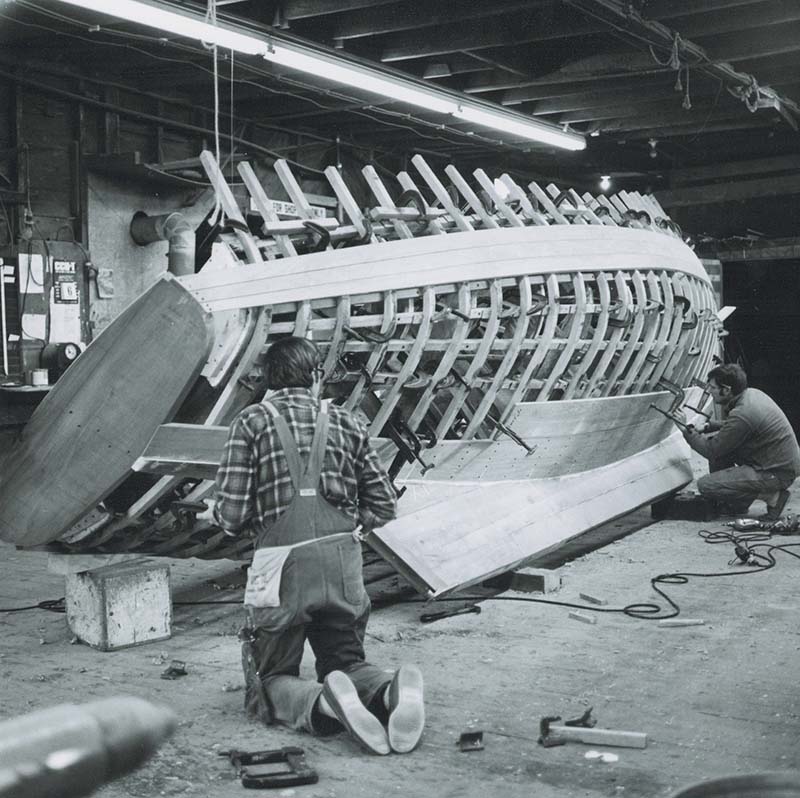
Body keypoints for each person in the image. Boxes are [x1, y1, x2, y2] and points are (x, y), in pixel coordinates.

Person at [210, 336, 424, 755]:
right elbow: (384, 505)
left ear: (269, 380)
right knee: (347, 661)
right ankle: (386, 691)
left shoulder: (251, 422)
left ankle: (323, 701)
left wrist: (213, 513)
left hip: (278, 566)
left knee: (270, 679)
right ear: (316, 376)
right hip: (341, 560)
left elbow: (232, 518)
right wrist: (350, 526)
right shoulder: (348, 421)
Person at [674, 363, 800, 519]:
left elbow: (711, 450)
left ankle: (773, 497)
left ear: (726, 390)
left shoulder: (743, 413)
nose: (709, 391)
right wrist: (707, 426)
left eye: (713, 388)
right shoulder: (752, 394)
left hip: (776, 472)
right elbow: (737, 426)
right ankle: (737, 505)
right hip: (777, 462)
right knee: (721, 449)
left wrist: (687, 431)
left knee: (706, 485)